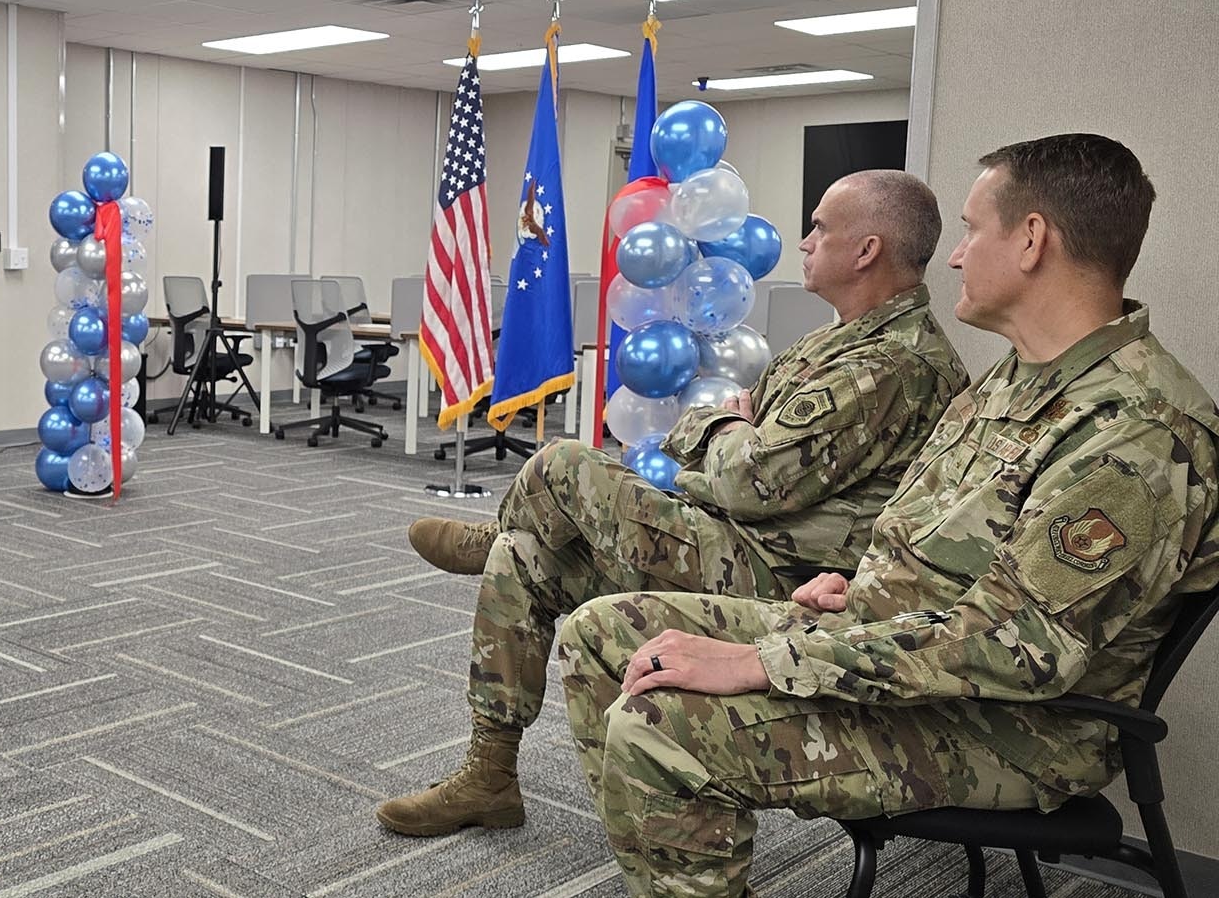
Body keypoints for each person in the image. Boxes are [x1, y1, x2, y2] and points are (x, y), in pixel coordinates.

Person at [556, 133, 1219, 898]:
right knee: (603, 633)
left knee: (658, 728)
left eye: (973, 229)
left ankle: (684, 814)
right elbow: (939, 543)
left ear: (1032, 240)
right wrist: (856, 586)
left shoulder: (1135, 432)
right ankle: (678, 854)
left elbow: (1018, 650)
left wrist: (767, 661)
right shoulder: (1014, 380)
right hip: (902, 651)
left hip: (1015, 724)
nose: (958, 255)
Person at [376, 170, 969, 837]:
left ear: (866, 250)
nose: (805, 242)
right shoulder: (836, 340)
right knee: (527, 554)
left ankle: (490, 535)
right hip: (735, 537)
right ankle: (490, 774)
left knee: (564, 464)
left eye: (821, 228)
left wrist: (723, 428)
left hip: (778, 573)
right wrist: (728, 432)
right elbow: (730, 441)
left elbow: (748, 477)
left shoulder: (892, 362)